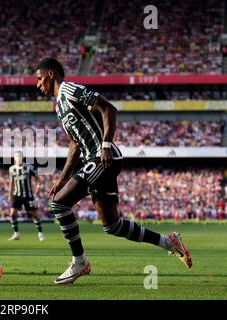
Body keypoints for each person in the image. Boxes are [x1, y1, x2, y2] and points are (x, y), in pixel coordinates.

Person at [35, 58, 192, 285]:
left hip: (102, 157)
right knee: (113, 225)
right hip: (94, 159)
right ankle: (169, 243)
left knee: (59, 204)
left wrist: (106, 145)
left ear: (51, 74)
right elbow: (74, 144)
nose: (38, 84)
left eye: (39, 78)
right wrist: (62, 178)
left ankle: (79, 262)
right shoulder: (59, 107)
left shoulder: (70, 89)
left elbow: (108, 108)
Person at [7, 151, 45, 241]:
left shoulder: (29, 167)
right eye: (17, 156)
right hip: (17, 195)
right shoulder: (12, 169)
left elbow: (38, 178)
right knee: (12, 214)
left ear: (22, 157)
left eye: (20, 156)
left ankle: (40, 233)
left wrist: (38, 186)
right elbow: (11, 183)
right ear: (14, 158)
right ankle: (16, 234)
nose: (18, 158)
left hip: (28, 195)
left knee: (34, 214)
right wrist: (10, 194)